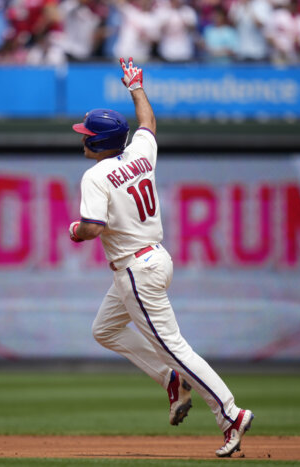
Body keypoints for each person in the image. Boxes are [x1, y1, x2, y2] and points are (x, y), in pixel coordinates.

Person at [68, 57, 255, 458]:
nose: (82, 138)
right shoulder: (140, 152)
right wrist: (136, 85)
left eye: (87, 134)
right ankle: (171, 381)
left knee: (175, 346)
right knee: (105, 330)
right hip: (154, 259)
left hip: (137, 268)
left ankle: (231, 415)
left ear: (98, 143)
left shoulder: (95, 176)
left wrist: (74, 231)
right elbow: (148, 122)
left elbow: (93, 228)